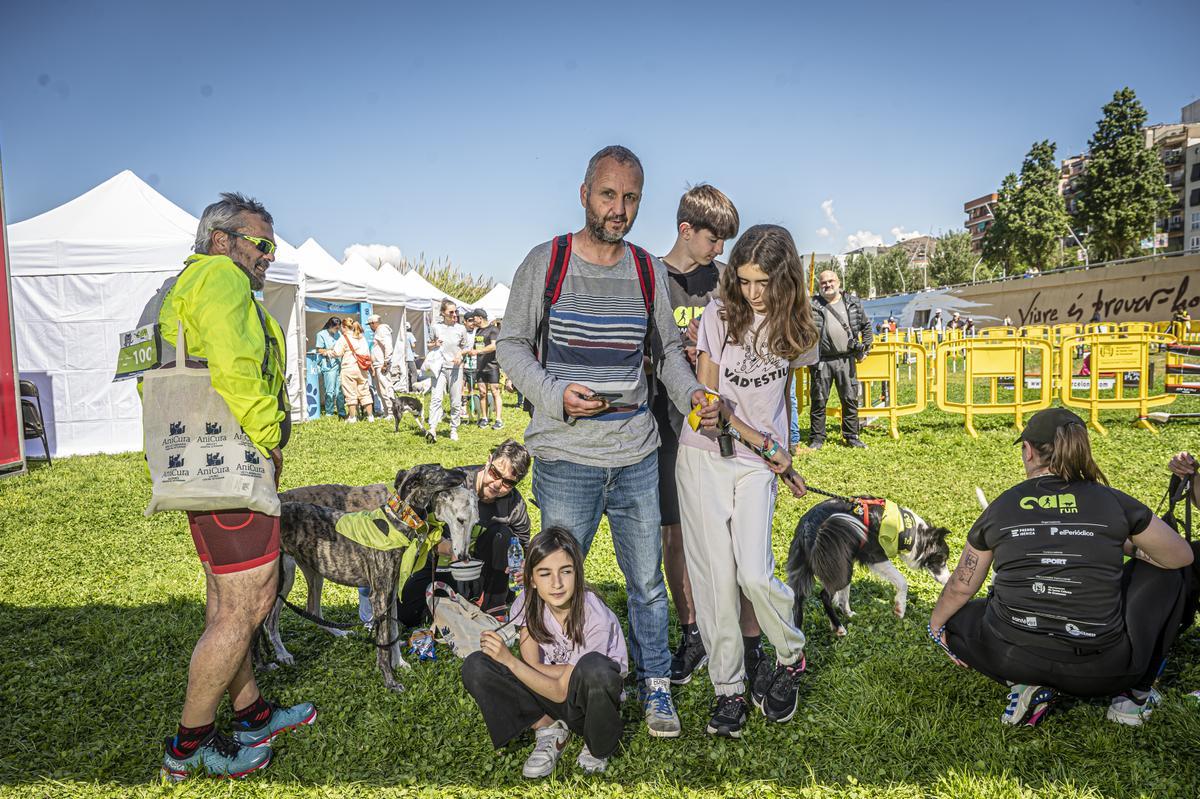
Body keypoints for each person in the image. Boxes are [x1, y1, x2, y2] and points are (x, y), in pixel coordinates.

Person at [496, 145, 719, 738]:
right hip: (566, 457)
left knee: (647, 582)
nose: (619, 209)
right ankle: (552, 690)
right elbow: (511, 345)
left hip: (638, 455)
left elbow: (669, 353)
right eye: (609, 195)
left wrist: (693, 393)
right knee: (555, 583)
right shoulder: (548, 262)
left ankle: (656, 687)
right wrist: (554, 393)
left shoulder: (647, 270)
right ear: (584, 194)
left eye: (631, 199)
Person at [152, 193, 314, 780]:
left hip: (201, 471)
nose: (269, 256)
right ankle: (188, 745)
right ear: (223, 239)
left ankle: (250, 713)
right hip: (234, 469)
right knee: (245, 608)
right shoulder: (219, 278)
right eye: (262, 243)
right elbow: (239, 368)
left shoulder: (186, 284)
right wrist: (271, 439)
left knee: (228, 603)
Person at [928, 408, 1195, 727]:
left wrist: (936, 626)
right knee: (1168, 571)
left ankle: (1028, 683)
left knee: (958, 617)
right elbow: (1181, 556)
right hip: (1105, 670)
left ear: (1028, 450)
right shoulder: (1114, 502)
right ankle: (1132, 699)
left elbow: (961, 584)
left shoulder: (1002, 506)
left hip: (1010, 658)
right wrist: (1126, 544)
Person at [675, 224, 816, 737]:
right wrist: (766, 443)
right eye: (745, 280)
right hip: (705, 456)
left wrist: (786, 456)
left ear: (785, 280)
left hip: (759, 463)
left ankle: (790, 654)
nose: (753, 293)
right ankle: (728, 688)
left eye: (763, 283)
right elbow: (709, 404)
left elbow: (787, 400)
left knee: (754, 575)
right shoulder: (717, 316)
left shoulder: (800, 327)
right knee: (715, 581)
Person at [652, 184, 760, 687]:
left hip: (726, 426)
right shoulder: (650, 276)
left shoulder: (724, 282)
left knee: (734, 535)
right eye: (713, 240)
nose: (720, 251)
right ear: (685, 230)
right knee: (675, 534)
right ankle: (693, 630)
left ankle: (746, 633)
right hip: (667, 425)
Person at [462, 527, 628, 778]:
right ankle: (547, 727)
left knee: (594, 669)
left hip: (589, 705)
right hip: (548, 691)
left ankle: (597, 746)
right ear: (531, 579)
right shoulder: (527, 603)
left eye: (565, 571)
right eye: (545, 573)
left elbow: (562, 688)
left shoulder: (594, 615)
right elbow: (531, 662)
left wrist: (511, 662)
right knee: (476, 665)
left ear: (577, 573)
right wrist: (551, 672)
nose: (557, 583)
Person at [386, 439, 533, 625]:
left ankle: (493, 608)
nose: (497, 484)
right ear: (488, 461)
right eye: (495, 473)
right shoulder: (455, 483)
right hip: (441, 565)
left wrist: (523, 565)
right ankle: (453, 605)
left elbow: (523, 545)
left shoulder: (514, 504)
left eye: (508, 483)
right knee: (405, 614)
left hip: (487, 574)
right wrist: (447, 548)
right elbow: (419, 528)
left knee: (502, 534)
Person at [807, 269, 873, 450]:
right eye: (823, 282)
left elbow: (866, 327)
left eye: (831, 281)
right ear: (819, 285)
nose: (827, 285)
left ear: (838, 282)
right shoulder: (811, 305)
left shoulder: (852, 302)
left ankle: (852, 436)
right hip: (821, 361)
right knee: (819, 400)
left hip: (847, 359)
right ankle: (817, 439)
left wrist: (866, 348)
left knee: (850, 399)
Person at [427, 299, 470, 443]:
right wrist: (434, 344)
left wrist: (460, 354)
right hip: (439, 367)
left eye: (456, 311)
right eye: (451, 312)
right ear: (443, 313)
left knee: (455, 400)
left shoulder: (460, 328)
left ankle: (453, 429)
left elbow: (466, 347)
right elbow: (429, 345)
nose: (454, 315)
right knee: (436, 398)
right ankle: (432, 428)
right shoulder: (435, 327)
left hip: (456, 368)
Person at [467, 309, 504, 430]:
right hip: (480, 366)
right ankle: (484, 418)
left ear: (480, 318)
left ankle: (498, 419)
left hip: (492, 365)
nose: (473, 321)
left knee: (495, 391)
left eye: (474, 319)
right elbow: (476, 346)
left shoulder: (493, 329)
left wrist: (478, 351)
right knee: (482, 393)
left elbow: (494, 346)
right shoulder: (478, 331)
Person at [332, 318, 373, 423]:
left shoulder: (343, 338)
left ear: (344, 327)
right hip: (362, 368)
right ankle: (370, 417)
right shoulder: (361, 337)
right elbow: (367, 353)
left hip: (349, 368)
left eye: (341, 327)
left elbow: (337, 353)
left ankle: (352, 417)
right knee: (365, 392)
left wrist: (328, 352)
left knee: (350, 393)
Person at [314, 316, 343, 417]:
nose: (337, 330)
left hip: (338, 364)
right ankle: (329, 412)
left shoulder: (338, 334)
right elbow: (319, 350)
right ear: (330, 326)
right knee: (330, 390)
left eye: (339, 328)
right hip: (328, 365)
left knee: (339, 389)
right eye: (336, 328)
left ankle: (342, 411)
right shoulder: (321, 334)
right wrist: (329, 350)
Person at [367, 314, 394, 420]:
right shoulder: (379, 331)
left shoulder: (382, 330)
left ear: (373, 323)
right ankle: (387, 412)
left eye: (370, 325)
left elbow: (388, 346)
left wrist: (386, 362)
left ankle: (391, 412)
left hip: (382, 364)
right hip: (378, 364)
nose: (370, 327)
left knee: (385, 388)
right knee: (380, 390)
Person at [461, 310, 482, 424]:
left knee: (472, 388)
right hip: (462, 363)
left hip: (473, 363)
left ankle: (473, 408)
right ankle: (463, 407)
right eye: (470, 321)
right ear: (464, 322)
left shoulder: (477, 332)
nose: (472, 323)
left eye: (473, 320)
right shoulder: (461, 331)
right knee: (461, 386)